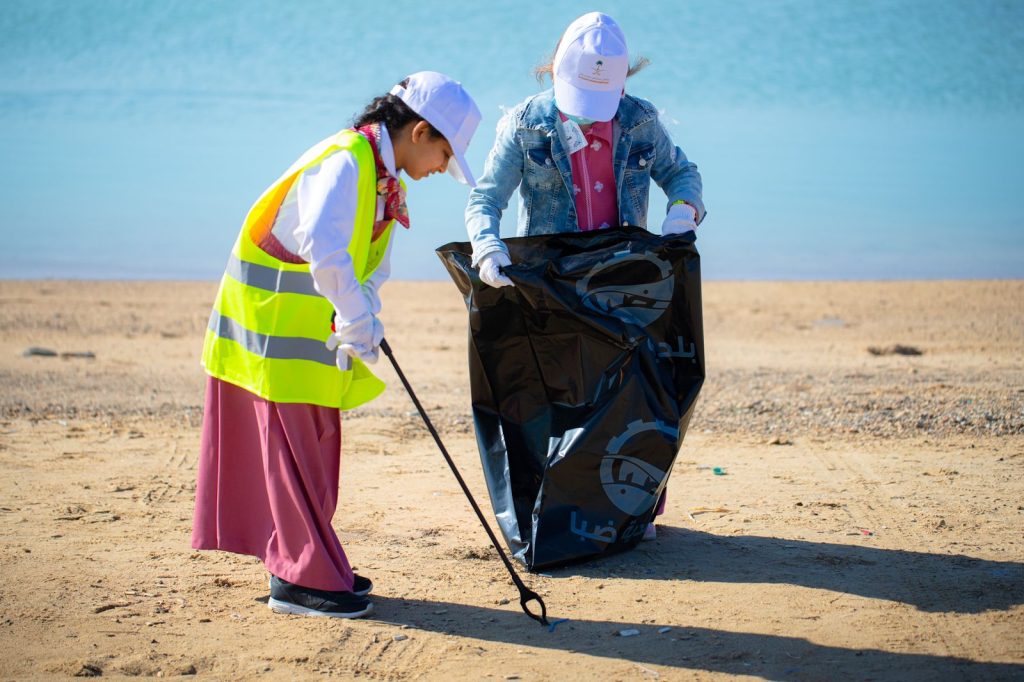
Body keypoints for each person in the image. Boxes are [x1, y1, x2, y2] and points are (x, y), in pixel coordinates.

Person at [192, 71, 481, 618]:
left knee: (315, 446)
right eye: (445, 154)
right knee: (293, 452)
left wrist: (365, 309)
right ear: (419, 132)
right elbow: (322, 247)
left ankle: (308, 562)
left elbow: (369, 263)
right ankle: (303, 577)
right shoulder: (349, 160)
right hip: (273, 326)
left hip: (308, 333)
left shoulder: (381, 175)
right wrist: (354, 315)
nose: (442, 169)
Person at [464, 12, 705, 540]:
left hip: (625, 278)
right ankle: (558, 512)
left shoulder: (640, 122)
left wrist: (683, 210)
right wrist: (487, 247)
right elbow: (486, 198)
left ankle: (632, 512)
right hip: (555, 284)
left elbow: (681, 173)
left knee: (635, 395)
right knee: (562, 397)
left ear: (622, 84)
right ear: (555, 73)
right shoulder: (525, 125)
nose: (594, 120)